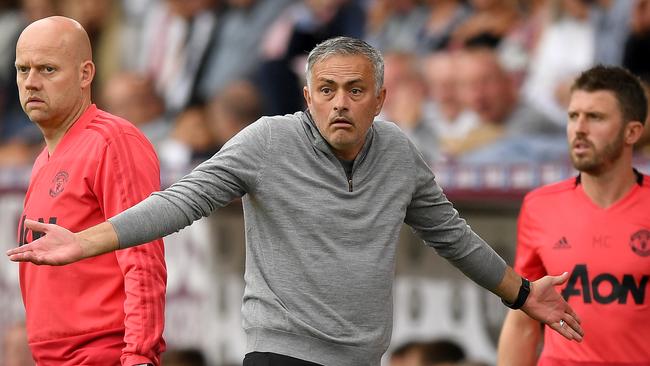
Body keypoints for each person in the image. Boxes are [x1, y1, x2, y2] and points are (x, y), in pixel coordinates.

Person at [8, 36, 582, 366]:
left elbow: (452, 236)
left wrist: (525, 294)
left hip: (361, 359)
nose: (340, 103)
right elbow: (182, 202)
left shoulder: (400, 154)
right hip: (279, 354)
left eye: (355, 90)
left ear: (380, 98)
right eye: (326, 90)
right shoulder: (267, 141)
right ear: (306, 94)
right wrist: (84, 241)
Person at [11, 16, 166, 365]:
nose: (31, 82)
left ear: (85, 74)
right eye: (23, 70)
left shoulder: (113, 141)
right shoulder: (43, 160)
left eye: (48, 69)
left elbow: (143, 257)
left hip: (103, 351)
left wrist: (140, 355)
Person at [497, 65, 649, 365]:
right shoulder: (539, 206)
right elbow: (523, 320)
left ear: (632, 132)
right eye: (573, 116)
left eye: (595, 117)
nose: (579, 128)